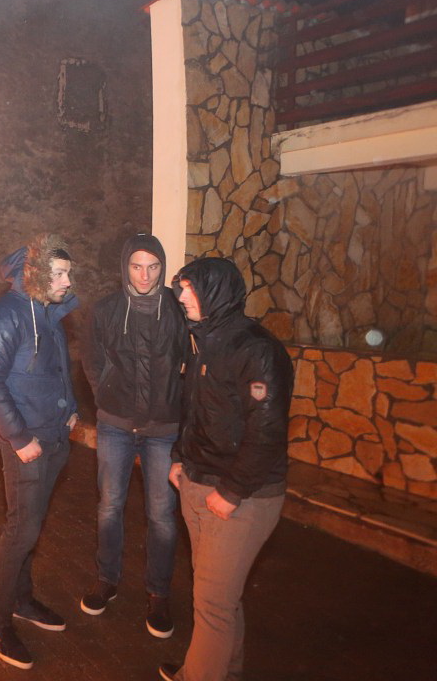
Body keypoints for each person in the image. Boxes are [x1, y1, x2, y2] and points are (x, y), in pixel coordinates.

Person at [158, 257, 292, 681]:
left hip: (242, 496)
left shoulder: (257, 350)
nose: (180, 297)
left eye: (189, 288)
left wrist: (232, 492)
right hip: (199, 482)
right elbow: (194, 409)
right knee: (221, 599)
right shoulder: (204, 341)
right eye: (180, 287)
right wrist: (179, 458)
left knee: (212, 605)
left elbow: (266, 433)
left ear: (215, 293)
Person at [0, 234, 80, 670]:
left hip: (53, 434)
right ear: (35, 274)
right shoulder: (5, 315)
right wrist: (19, 439)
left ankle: (20, 600)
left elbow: (59, 369)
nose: (67, 281)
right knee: (21, 530)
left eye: (68, 272)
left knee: (31, 528)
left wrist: (70, 409)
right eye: (59, 273)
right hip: (26, 443)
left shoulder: (48, 313)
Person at [81, 234, 189, 638]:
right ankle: (107, 579)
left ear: (163, 268)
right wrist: (105, 392)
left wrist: (177, 401)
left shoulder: (178, 311)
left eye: (153, 267)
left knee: (161, 515)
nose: (144, 276)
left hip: (164, 427)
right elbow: (91, 359)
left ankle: (159, 593)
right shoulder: (106, 309)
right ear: (125, 267)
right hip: (117, 424)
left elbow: (190, 361)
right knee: (110, 505)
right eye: (136, 266)